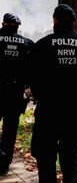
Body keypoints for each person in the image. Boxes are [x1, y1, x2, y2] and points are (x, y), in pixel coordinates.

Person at [28, 4, 77, 182]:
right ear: (74, 22)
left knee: (46, 156)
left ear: (54, 20)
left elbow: (28, 75)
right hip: (73, 111)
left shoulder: (42, 45)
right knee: (70, 155)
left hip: (47, 110)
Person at [0, 13, 33, 175]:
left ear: (3, 24)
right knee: (10, 131)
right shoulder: (27, 44)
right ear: (18, 26)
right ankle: (4, 165)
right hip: (15, 94)